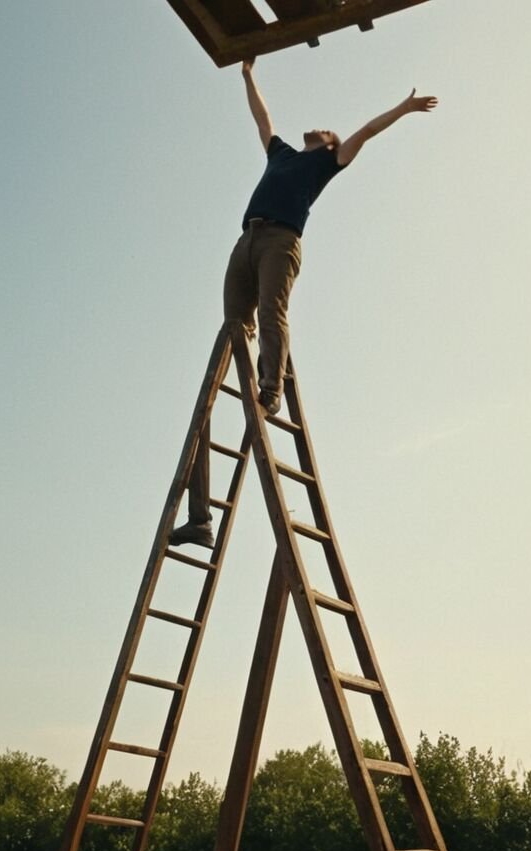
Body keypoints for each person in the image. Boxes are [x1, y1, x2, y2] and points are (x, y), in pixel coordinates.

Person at [170, 58, 438, 548]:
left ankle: (270, 388)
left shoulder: (327, 161)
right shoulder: (282, 154)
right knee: (231, 332)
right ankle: (201, 518)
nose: (322, 125)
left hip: (281, 242)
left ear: (331, 143)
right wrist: (249, 75)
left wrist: (404, 106)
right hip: (247, 241)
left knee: (272, 311)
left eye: (329, 129)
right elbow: (262, 119)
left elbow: (369, 130)